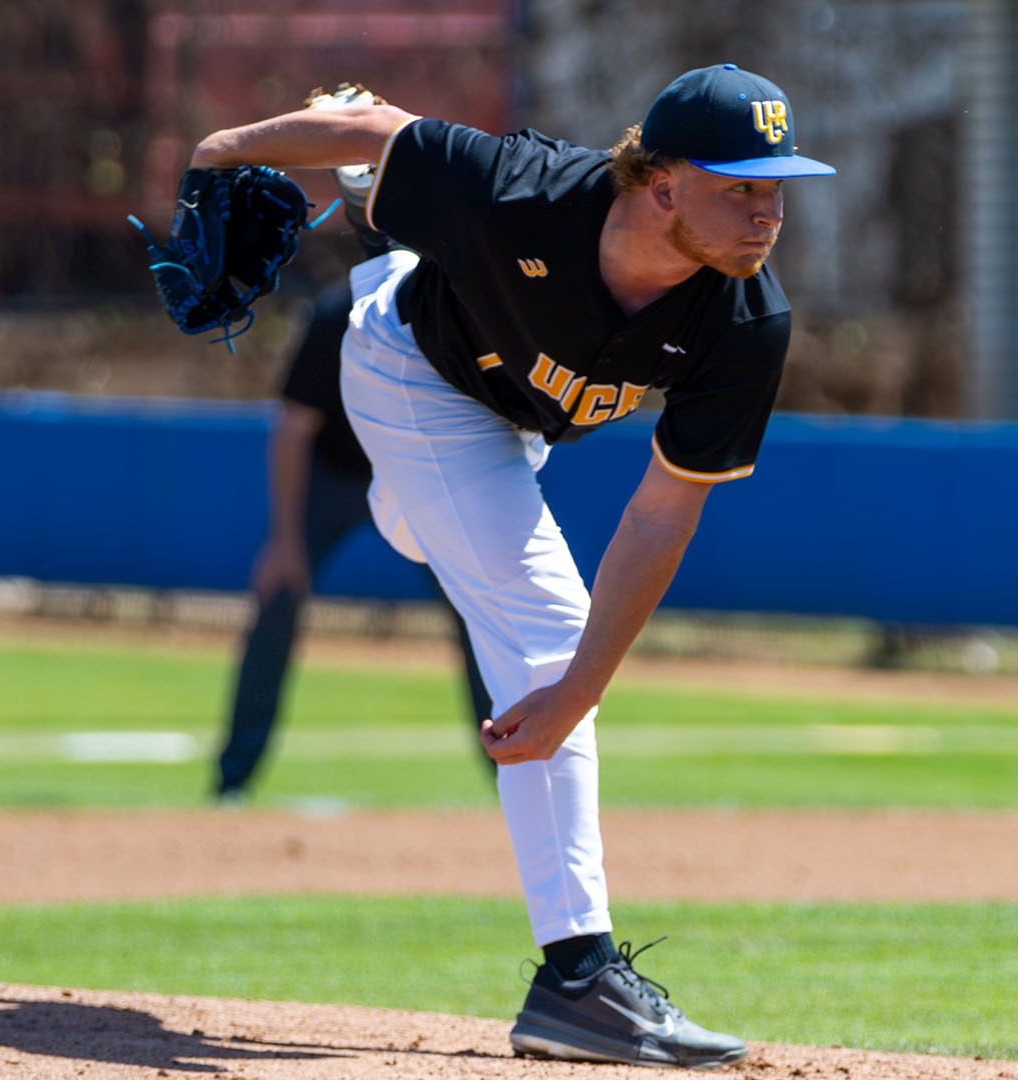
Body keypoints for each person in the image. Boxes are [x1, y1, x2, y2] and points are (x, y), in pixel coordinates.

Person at [185, 63, 834, 1068]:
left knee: (446, 548)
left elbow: (663, 513)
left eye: (775, 186)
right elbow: (377, 126)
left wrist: (582, 690)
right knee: (539, 620)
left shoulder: (745, 320)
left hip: (513, 427)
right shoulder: (518, 189)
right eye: (739, 185)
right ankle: (578, 977)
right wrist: (221, 153)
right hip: (408, 369)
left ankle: (411, 513)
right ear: (660, 184)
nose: (766, 211)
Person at [214, 241, 496, 804]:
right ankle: (233, 780)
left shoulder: (455, 310)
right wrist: (285, 540)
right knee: (279, 597)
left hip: (419, 481)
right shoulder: (335, 316)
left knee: (482, 615)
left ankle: (513, 773)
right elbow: (294, 429)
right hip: (338, 476)